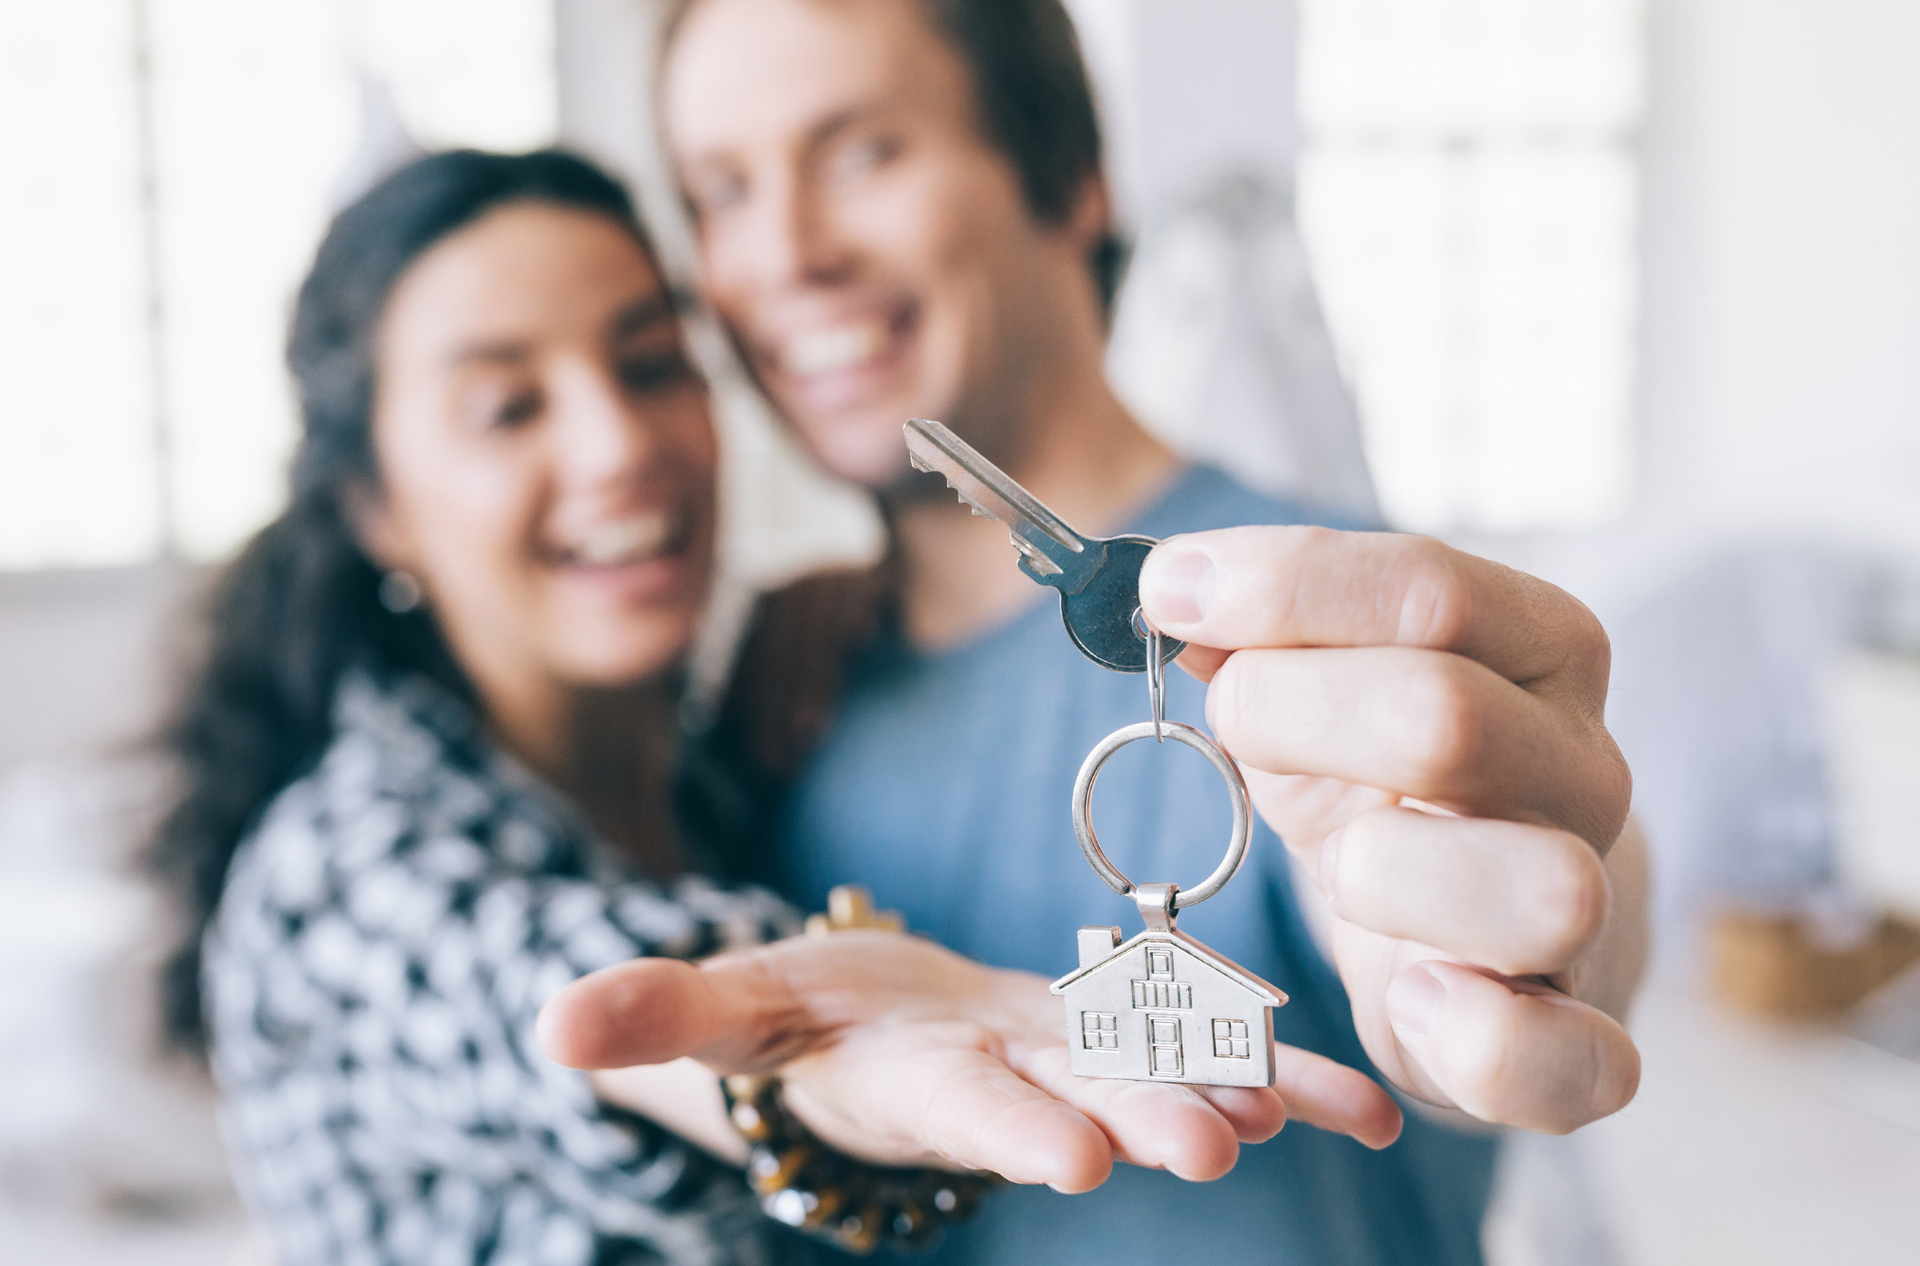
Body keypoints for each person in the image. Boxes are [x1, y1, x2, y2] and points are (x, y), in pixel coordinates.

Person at [543, 0, 1650, 1261]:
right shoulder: (773, 673)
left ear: (1069, 179)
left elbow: (1517, 873)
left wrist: (1513, 942)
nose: (784, 251)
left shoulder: (1305, 611)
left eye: (862, 151)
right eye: (721, 189)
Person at [147, 149, 1391, 1266]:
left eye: (649, 363)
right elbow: (558, 985)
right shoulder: (343, 870)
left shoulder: (746, 748)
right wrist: (784, 1042)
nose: (618, 441)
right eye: (507, 407)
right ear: (374, 508)